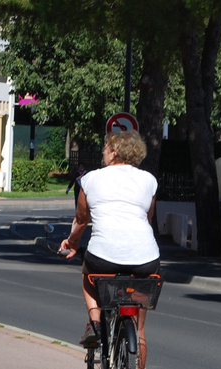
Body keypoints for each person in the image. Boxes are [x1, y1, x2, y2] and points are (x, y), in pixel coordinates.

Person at [57, 131, 160, 369]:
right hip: (145, 258)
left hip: (103, 256)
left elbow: (81, 221)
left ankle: (94, 322)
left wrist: (71, 244)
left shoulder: (91, 179)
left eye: (105, 148)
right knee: (140, 327)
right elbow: (148, 218)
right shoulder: (149, 180)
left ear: (114, 151)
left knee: (87, 275)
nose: (102, 152)